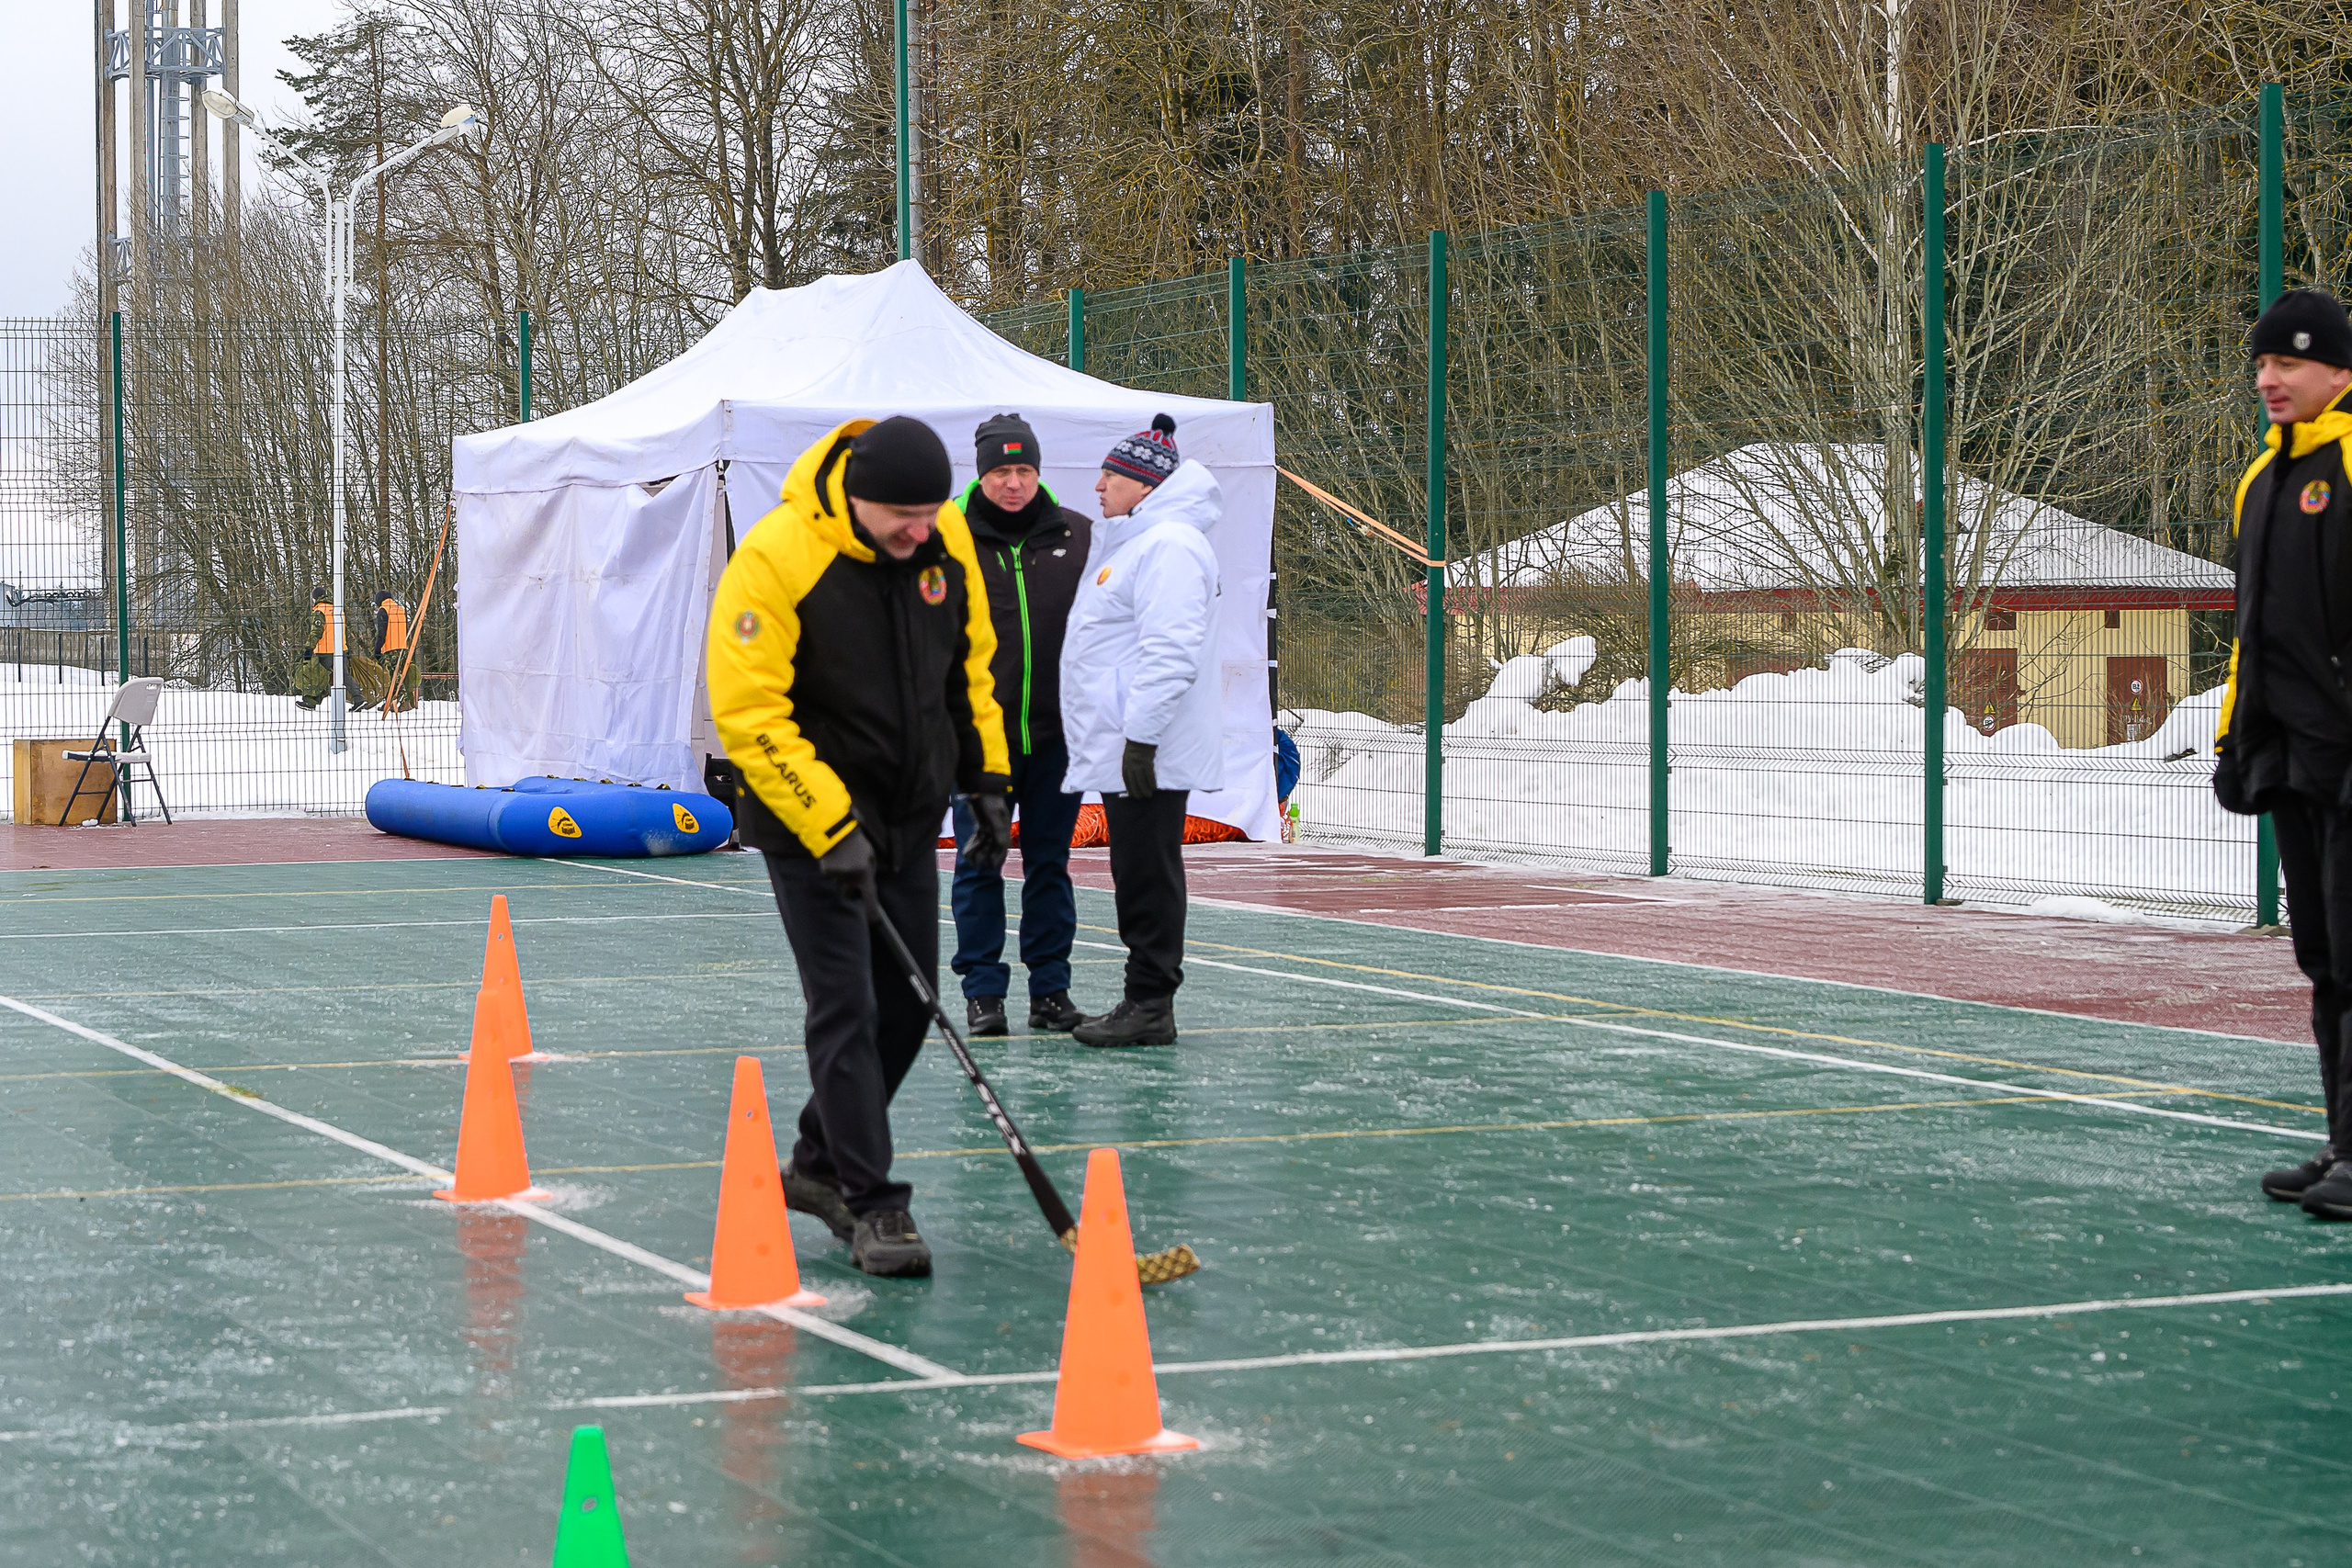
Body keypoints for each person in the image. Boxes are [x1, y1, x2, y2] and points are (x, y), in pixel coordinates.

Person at [706, 415, 1012, 1276]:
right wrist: (828, 826)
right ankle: (874, 1205)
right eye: (903, 519)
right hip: (808, 823)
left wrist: (987, 779)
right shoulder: (775, 560)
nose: (924, 532)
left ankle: (816, 1160)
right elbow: (751, 713)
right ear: (857, 499)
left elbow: (971, 666)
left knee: (912, 1002)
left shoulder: (942, 538)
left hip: (910, 816)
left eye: (932, 514)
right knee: (847, 1005)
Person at [2213, 288, 2352, 1217]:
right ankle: (2344, 1144)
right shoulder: (2262, 478)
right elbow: (2250, 628)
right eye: (2261, 364)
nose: (2268, 379)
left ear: (2337, 373)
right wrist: (2234, 731)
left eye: (2287, 363)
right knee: (2326, 958)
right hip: (2298, 758)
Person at [1058, 413, 1225, 1048]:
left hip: (1148, 749)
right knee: (1136, 869)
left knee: (1148, 871)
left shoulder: (1170, 546)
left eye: (1112, 475)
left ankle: (1151, 1003)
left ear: (1145, 484)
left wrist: (1142, 738)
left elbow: (1170, 650)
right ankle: (1144, 998)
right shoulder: (1144, 542)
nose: (1098, 486)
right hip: (1132, 743)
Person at [947, 413, 1093, 1038]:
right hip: (979, 742)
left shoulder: (1079, 536)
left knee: (1049, 865)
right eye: (1001, 471)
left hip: (1057, 738)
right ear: (981, 475)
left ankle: (1051, 992)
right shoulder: (944, 539)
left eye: (1024, 470)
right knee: (980, 863)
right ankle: (983, 993)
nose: (1014, 483)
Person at [298, 587, 339, 710]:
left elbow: (316, 632)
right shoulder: (336, 609)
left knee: (314, 675)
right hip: (339, 647)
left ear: (315, 598)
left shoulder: (320, 611)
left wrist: (309, 648)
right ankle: (359, 699)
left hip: (324, 648)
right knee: (340, 676)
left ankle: (311, 702)